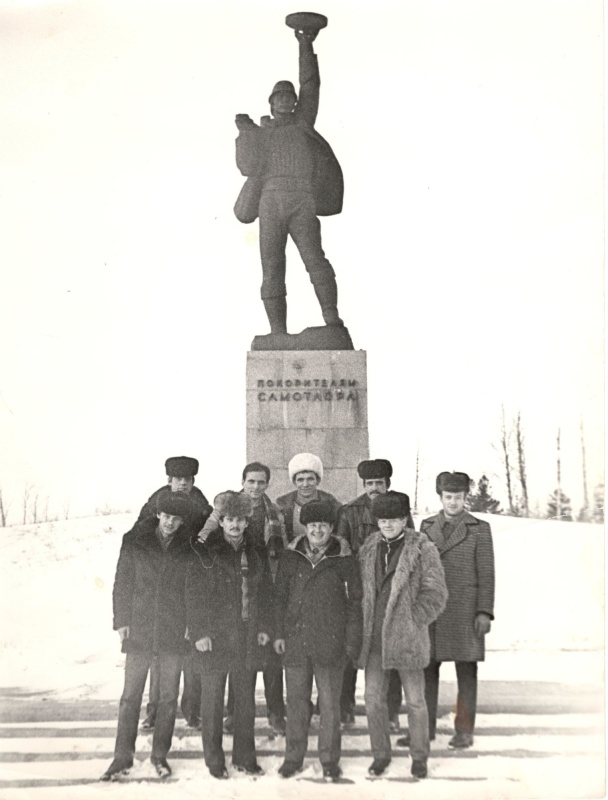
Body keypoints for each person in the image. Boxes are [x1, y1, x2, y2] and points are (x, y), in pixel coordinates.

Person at [234, 26, 344, 334]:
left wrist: (305, 44)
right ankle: (277, 331)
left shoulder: (302, 123)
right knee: (272, 267)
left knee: (315, 259)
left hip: (301, 198)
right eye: (279, 97)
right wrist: (245, 134)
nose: (285, 101)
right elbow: (246, 167)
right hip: (270, 200)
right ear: (271, 103)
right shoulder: (260, 133)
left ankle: (331, 317)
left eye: (289, 97)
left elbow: (311, 84)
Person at [398, 471, 495, 751]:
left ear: (466, 498)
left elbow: (486, 573)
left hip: (466, 613)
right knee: (426, 673)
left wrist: (484, 612)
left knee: (467, 674)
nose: (453, 502)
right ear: (440, 498)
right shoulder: (427, 527)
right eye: (448, 497)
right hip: (432, 614)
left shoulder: (480, 528)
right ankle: (424, 730)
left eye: (459, 497)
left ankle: (464, 731)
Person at [100, 493, 194, 781]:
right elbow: (122, 581)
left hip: (173, 628)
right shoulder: (135, 540)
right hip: (139, 627)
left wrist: (192, 624)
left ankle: (159, 756)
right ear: (157, 515)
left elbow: (193, 588)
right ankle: (121, 758)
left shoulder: (189, 546)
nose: (170, 523)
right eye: (166, 516)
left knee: (167, 697)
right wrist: (121, 621)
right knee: (130, 696)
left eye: (176, 519)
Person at [358, 493, 447, 780]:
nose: (388, 525)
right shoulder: (369, 547)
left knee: (415, 701)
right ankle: (380, 755)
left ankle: (419, 757)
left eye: (393, 520)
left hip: (407, 639)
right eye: (382, 520)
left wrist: (413, 621)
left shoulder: (422, 548)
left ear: (404, 520)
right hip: (374, 640)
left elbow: (436, 594)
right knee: (373, 699)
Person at [273, 500, 362, 782]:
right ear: (305, 527)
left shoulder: (345, 558)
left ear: (332, 528)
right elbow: (279, 599)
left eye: (323, 525)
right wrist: (279, 634)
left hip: (331, 644)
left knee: (330, 706)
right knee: (296, 703)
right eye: (313, 525)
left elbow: (354, 605)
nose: (318, 530)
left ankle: (329, 760)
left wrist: (350, 643)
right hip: (297, 642)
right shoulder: (292, 556)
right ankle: (293, 758)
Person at [187, 491, 273, 779]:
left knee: (245, 701)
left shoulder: (255, 551)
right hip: (213, 638)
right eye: (229, 520)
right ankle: (214, 760)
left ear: (247, 522)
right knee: (212, 701)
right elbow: (193, 596)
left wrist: (263, 629)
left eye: (240, 520)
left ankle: (245, 757)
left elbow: (266, 594)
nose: (235, 525)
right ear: (220, 522)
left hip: (246, 637)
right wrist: (199, 632)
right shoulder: (206, 551)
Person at [199, 462, 288, 735]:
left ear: (267, 484)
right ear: (243, 481)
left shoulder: (275, 512)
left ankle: (276, 713)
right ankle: (233, 712)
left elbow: (281, 546)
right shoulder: (227, 507)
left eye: (261, 482)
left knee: (270, 655)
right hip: (235, 583)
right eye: (251, 481)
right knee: (239, 658)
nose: (256, 487)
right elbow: (205, 537)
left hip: (266, 582)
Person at [336, 459, 415, 728]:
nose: (374, 489)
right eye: (369, 484)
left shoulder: (400, 509)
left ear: (387, 484)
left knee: (387, 650)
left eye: (379, 483)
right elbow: (341, 548)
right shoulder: (350, 511)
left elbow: (410, 546)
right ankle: (345, 707)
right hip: (357, 591)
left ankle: (391, 711)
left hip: (388, 590)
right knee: (352, 649)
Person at [138, 456, 212, 732]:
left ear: (193, 481)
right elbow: (140, 534)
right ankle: (154, 712)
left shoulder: (202, 505)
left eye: (187, 479)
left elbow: (211, 537)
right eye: (177, 478)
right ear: (169, 480)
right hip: (162, 589)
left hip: (192, 584)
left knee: (193, 654)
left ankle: (193, 710)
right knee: (161, 655)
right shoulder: (156, 502)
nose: (182, 483)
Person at [276, 452, 342, 543]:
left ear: (318, 481)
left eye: (310, 479)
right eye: (300, 480)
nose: (305, 484)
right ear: (294, 482)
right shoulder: (282, 505)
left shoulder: (332, 504)